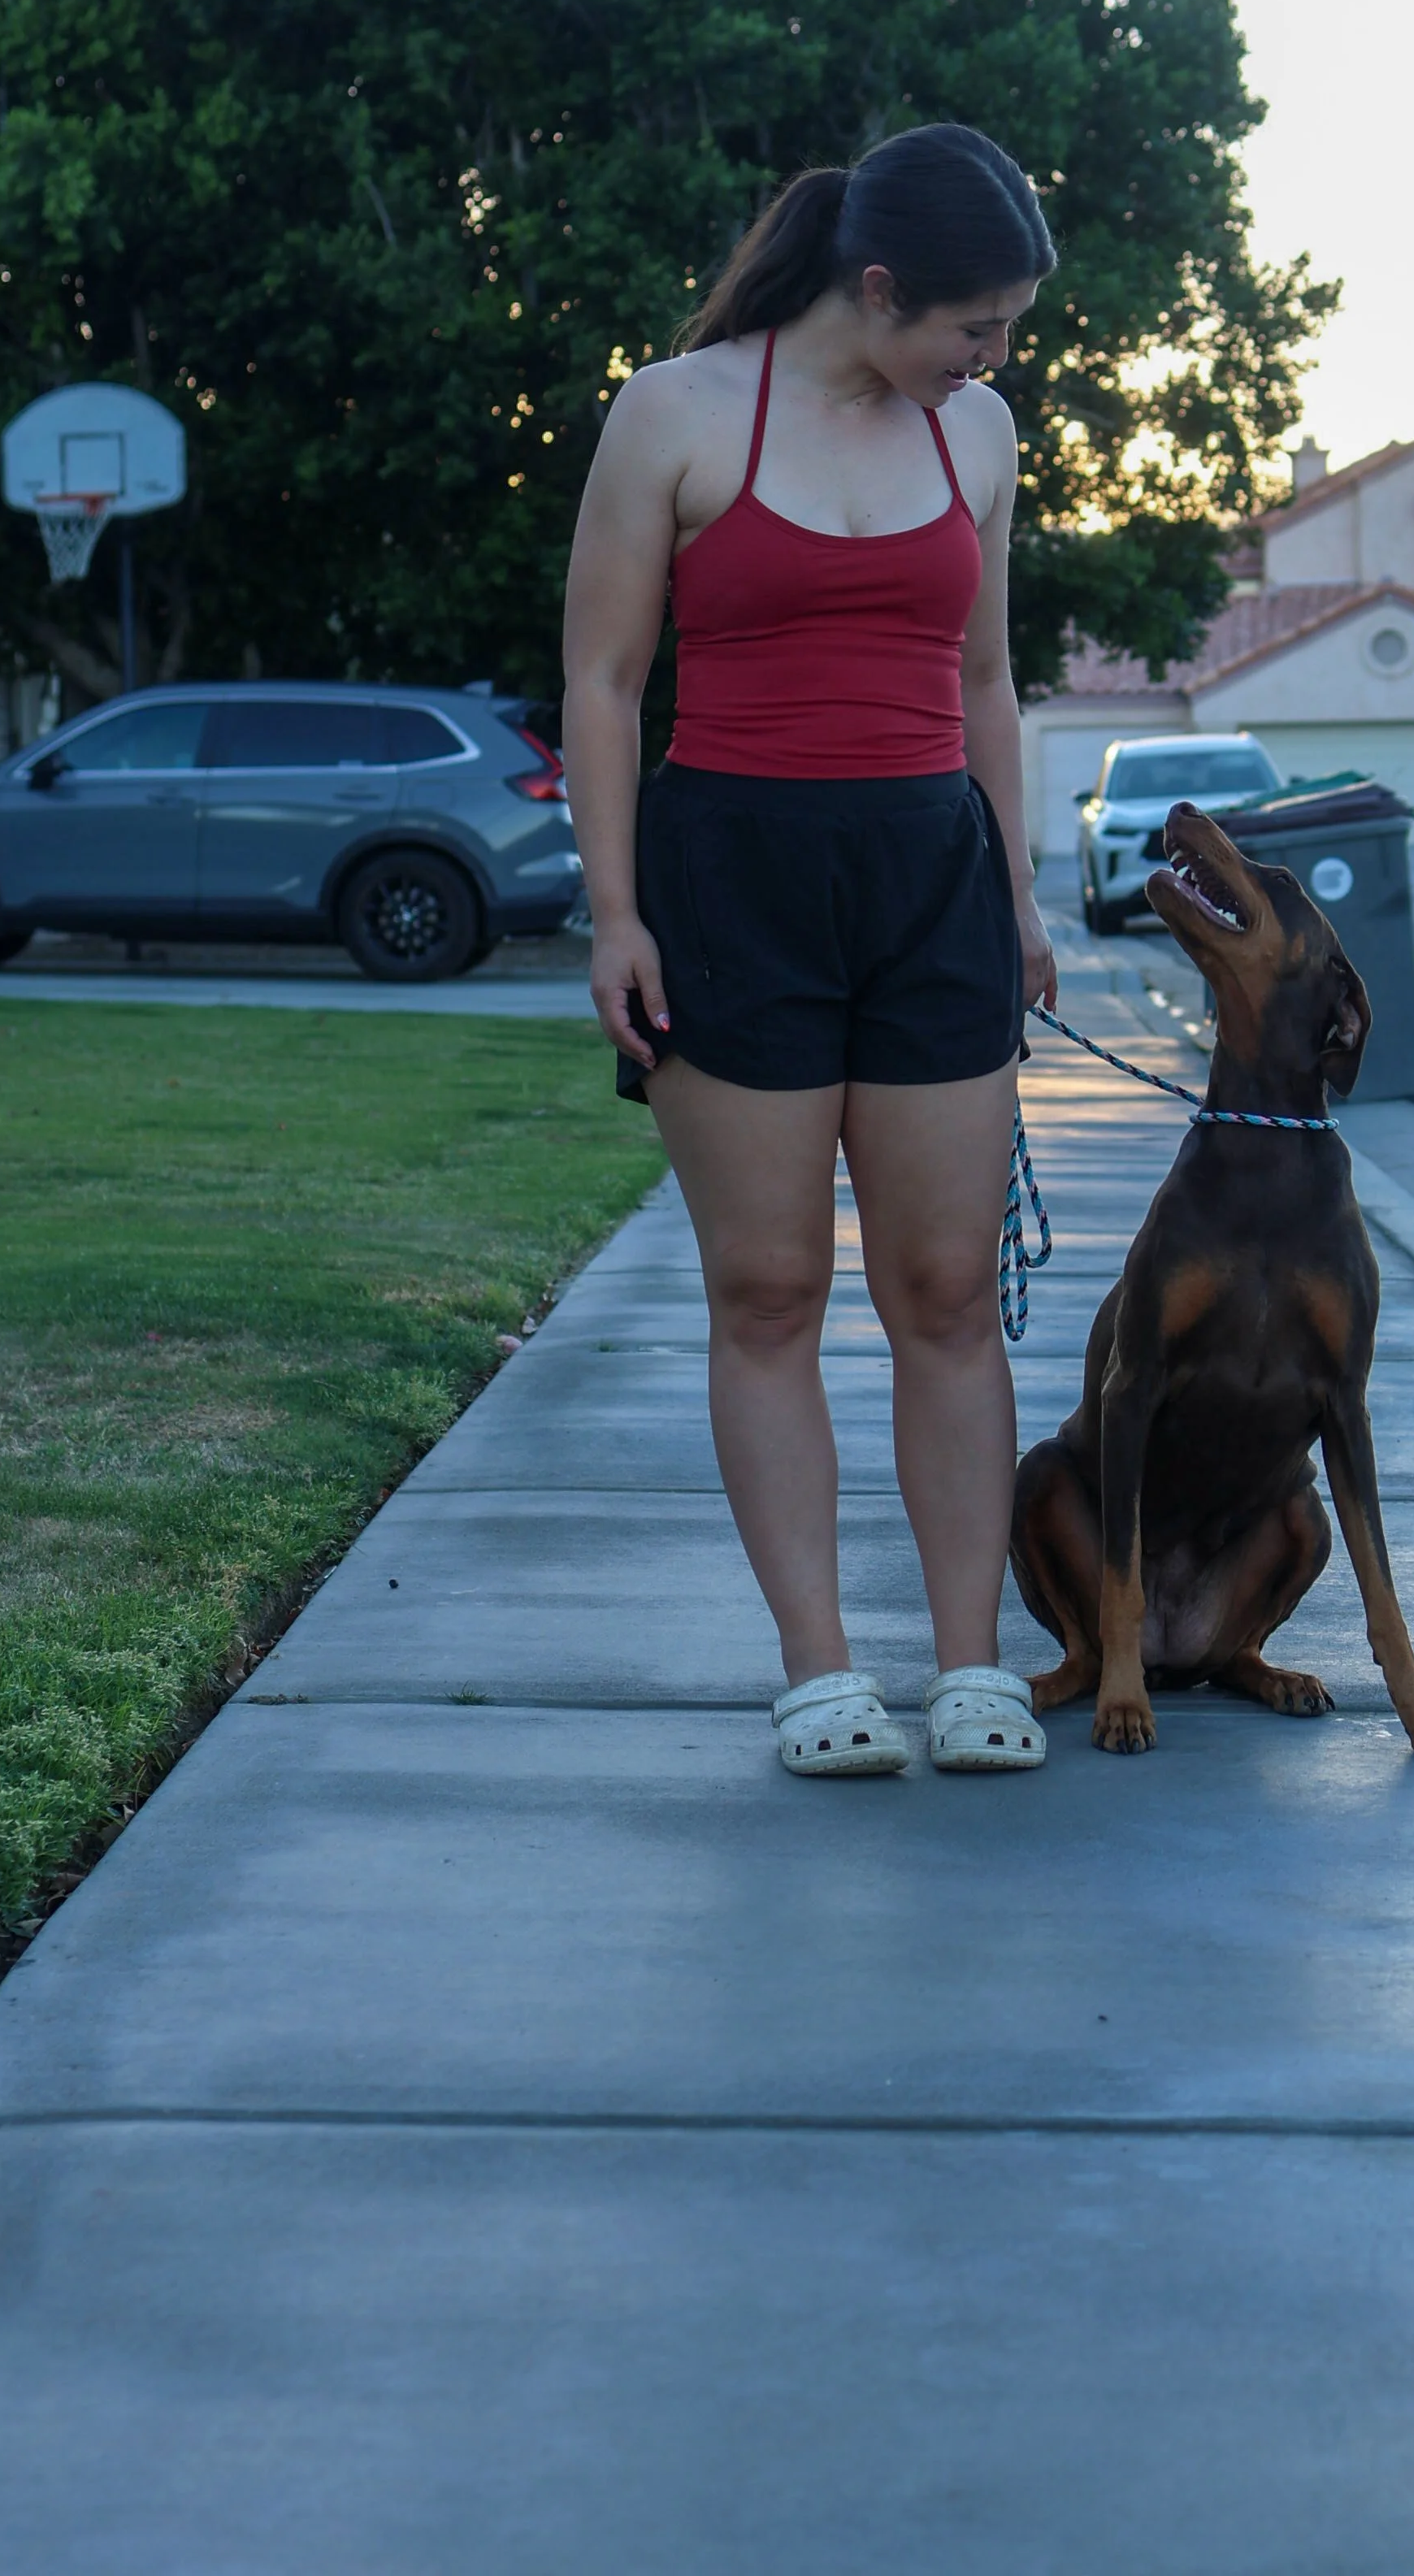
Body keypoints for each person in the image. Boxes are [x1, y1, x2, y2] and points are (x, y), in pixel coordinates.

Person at [562, 124, 1060, 1779]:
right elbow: (607, 685)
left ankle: (974, 1666)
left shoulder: (975, 435)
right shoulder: (679, 411)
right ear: (876, 287)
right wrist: (618, 910)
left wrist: (1020, 893)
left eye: (1003, 331)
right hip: (733, 879)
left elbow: (987, 684)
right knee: (768, 1289)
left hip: (929, 878)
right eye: (971, 325)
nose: (991, 359)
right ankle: (820, 1673)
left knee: (945, 1287)